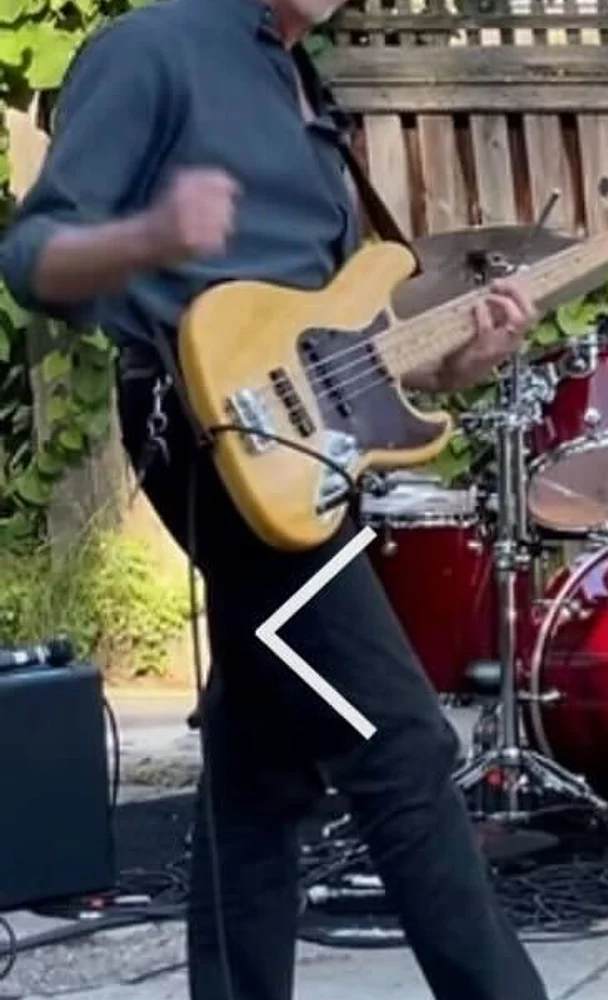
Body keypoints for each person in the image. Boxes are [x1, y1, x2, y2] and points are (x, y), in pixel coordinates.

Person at [0, 0, 551, 997]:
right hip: (206, 441)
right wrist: (152, 234)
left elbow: (339, 350)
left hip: (306, 463)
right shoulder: (156, 48)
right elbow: (33, 256)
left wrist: (457, 362)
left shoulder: (303, 89)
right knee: (402, 741)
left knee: (262, 765)